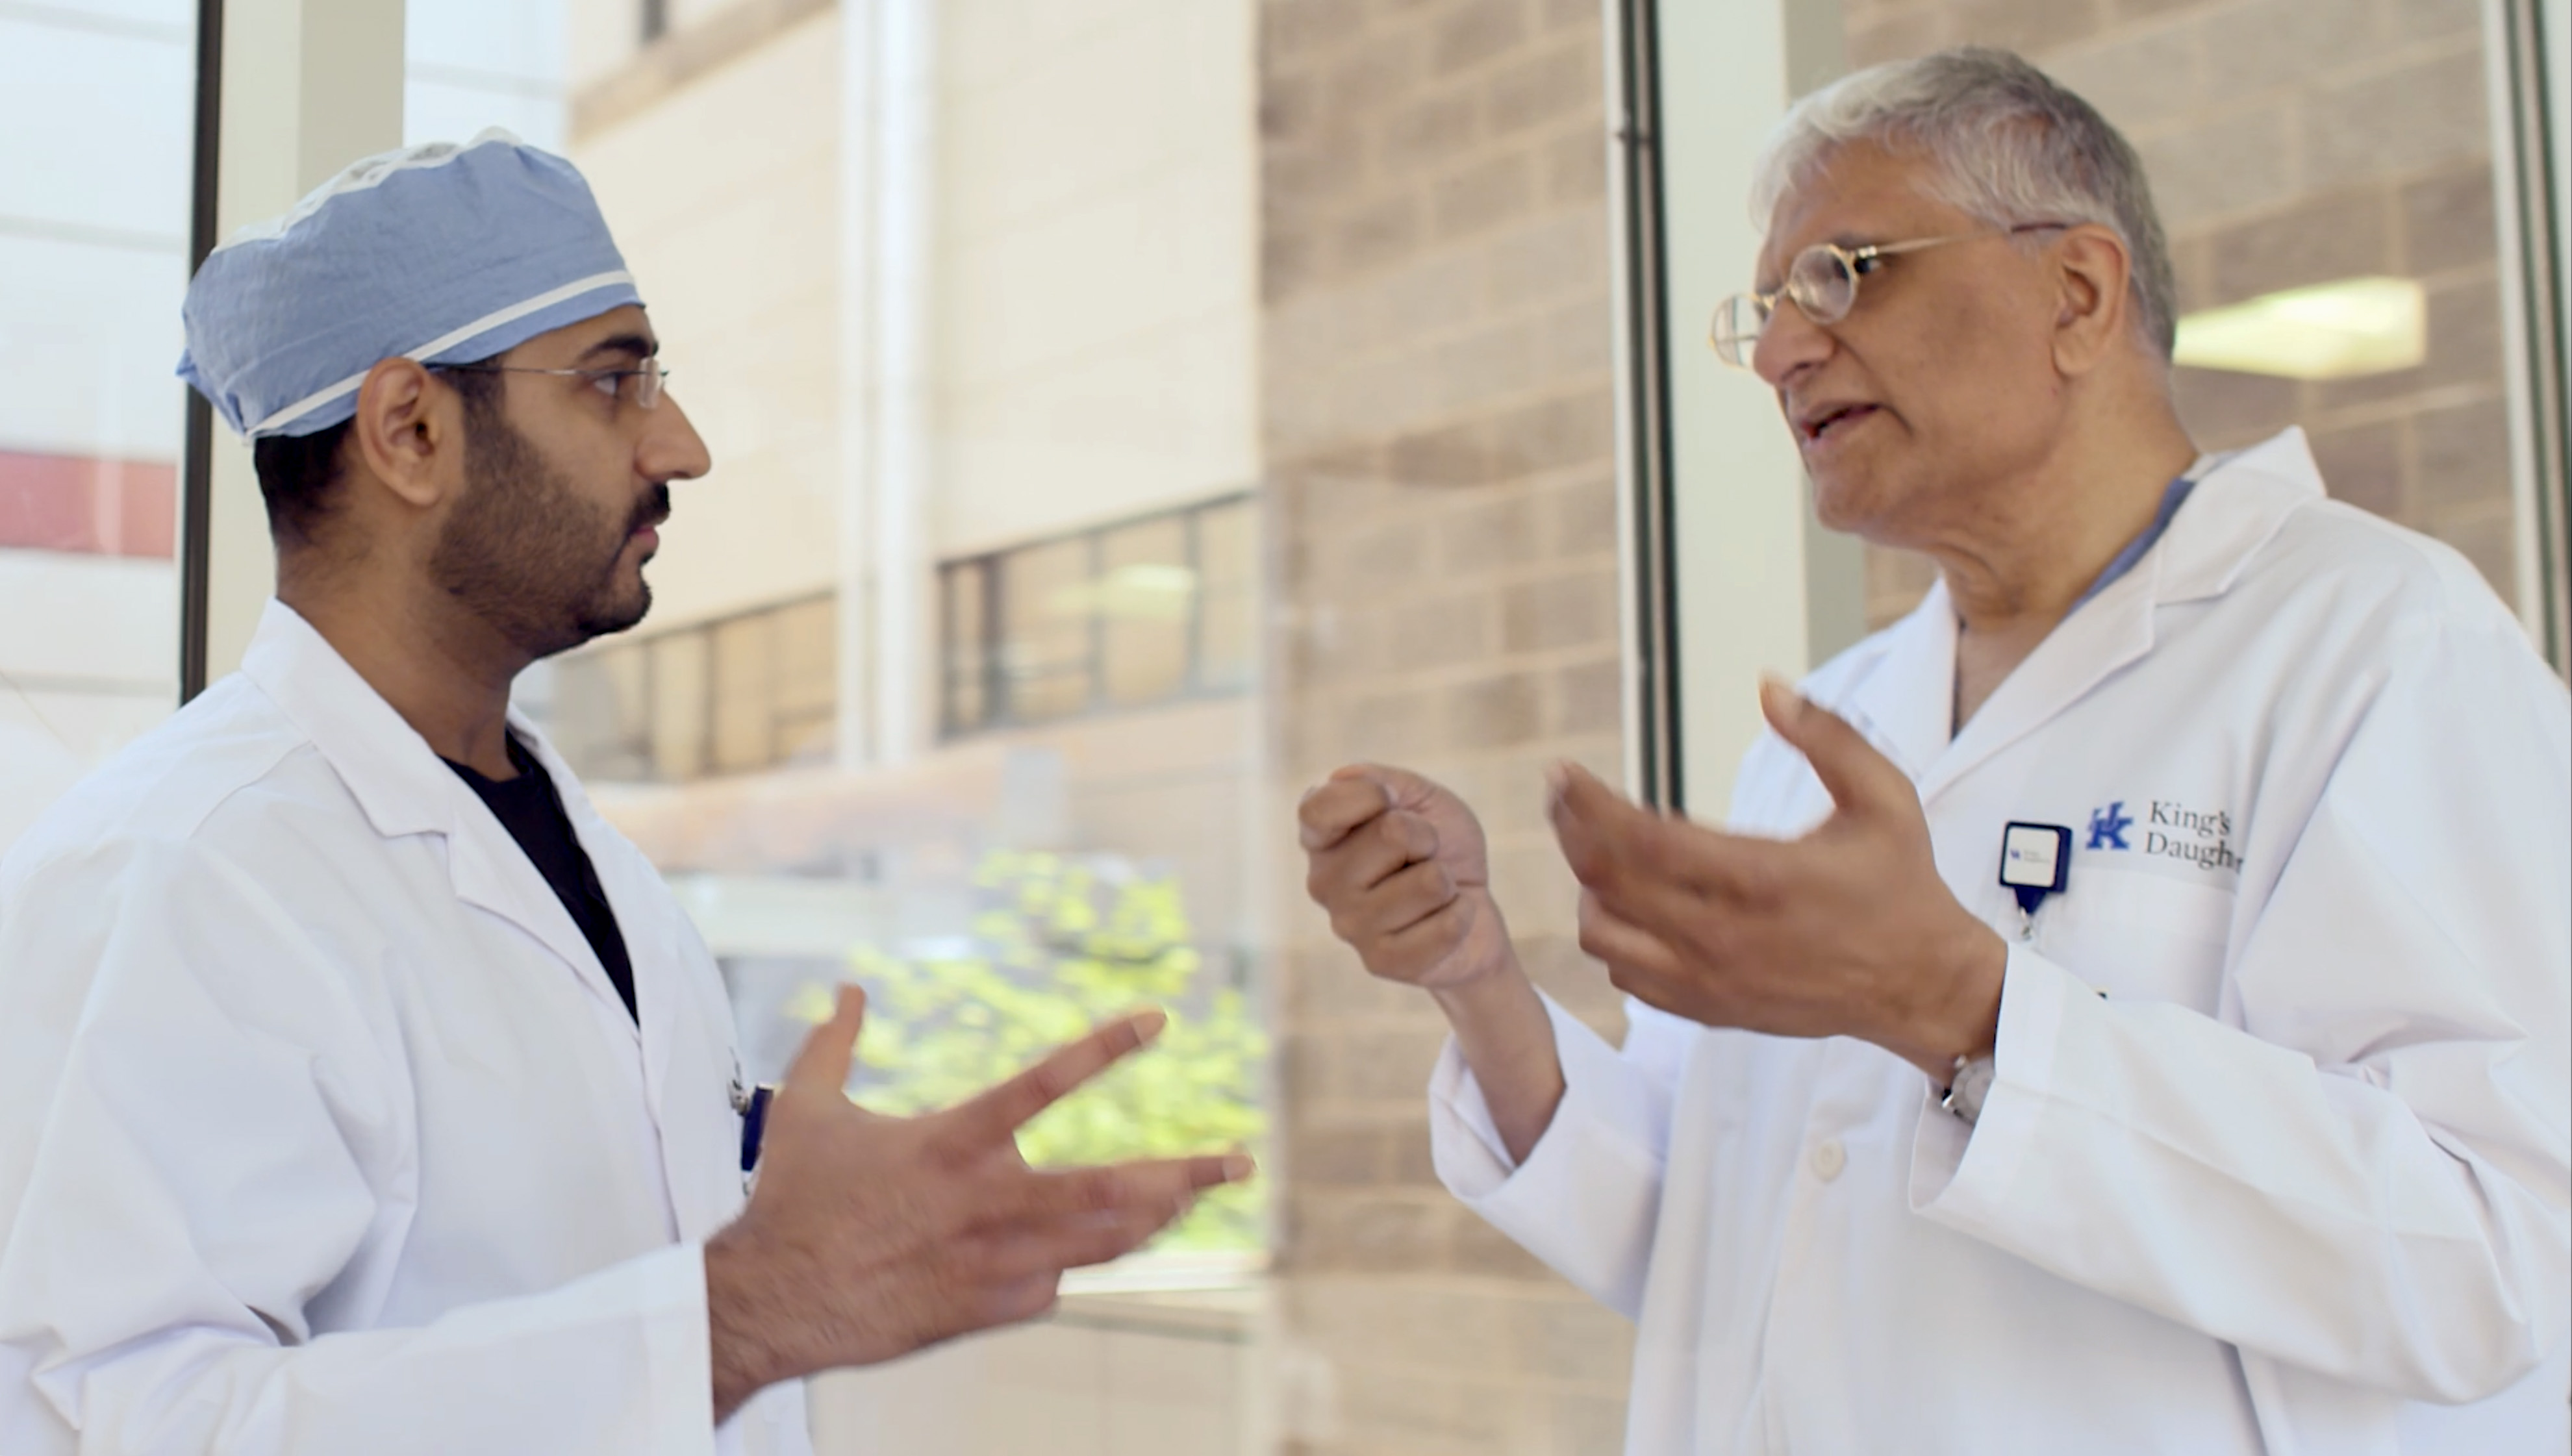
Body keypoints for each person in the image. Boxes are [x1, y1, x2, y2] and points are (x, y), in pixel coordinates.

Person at [1300, 47, 2568, 1453]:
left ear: (2077, 295)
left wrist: (1966, 1010)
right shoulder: (1836, 722)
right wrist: (1478, 979)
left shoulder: (2372, 640)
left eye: (1845, 272)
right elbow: (1719, 1227)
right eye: (1766, 310)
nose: (1784, 349)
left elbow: (2498, 1258)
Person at [0, 132, 1249, 1455]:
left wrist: (834, 1220)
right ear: (411, 430)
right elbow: (116, 1422)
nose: (684, 444)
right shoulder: (181, 871)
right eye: (614, 379)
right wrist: (738, 1319)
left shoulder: (574, 852)